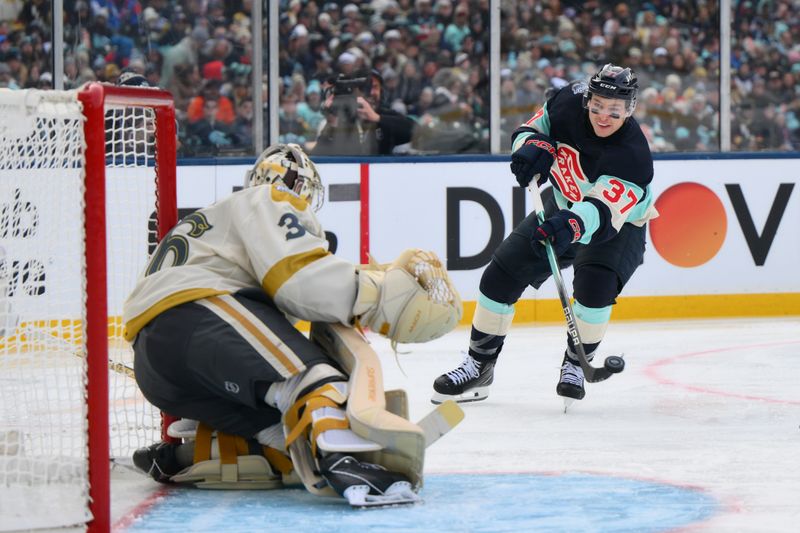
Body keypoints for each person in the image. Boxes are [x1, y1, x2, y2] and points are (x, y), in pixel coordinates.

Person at [124, 144, 462, 506]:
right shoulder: (269, 198)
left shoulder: (219, 223)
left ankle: (194, 454)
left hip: (157, 367)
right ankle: (344, 460)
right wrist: (379, 296)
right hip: (200, 314)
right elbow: (300, 281)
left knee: (282, 425)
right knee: (313, 379)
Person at [431, 64, 656, 406]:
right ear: (588, 100)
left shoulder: (634, 157)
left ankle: (575, 363)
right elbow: (532, 128)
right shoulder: (566, 102)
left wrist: (571, 224)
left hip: (616, 225)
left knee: (595, 289)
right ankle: (479, 366)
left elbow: (600, 211)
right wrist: (530, 145)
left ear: (629, 109)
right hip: (562, 204)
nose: (603, 115)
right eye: (597, 105)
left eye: (614, 110)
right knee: (500, 276)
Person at [312, 68, 415, 156]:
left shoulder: (384, 116)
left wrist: (376, 118)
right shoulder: (341, 119)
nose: (370, 92)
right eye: (364, 88)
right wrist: (332, 125)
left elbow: (416, 131)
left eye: (375, 87)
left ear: (381, 91)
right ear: (352, 92)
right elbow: (317, 156)